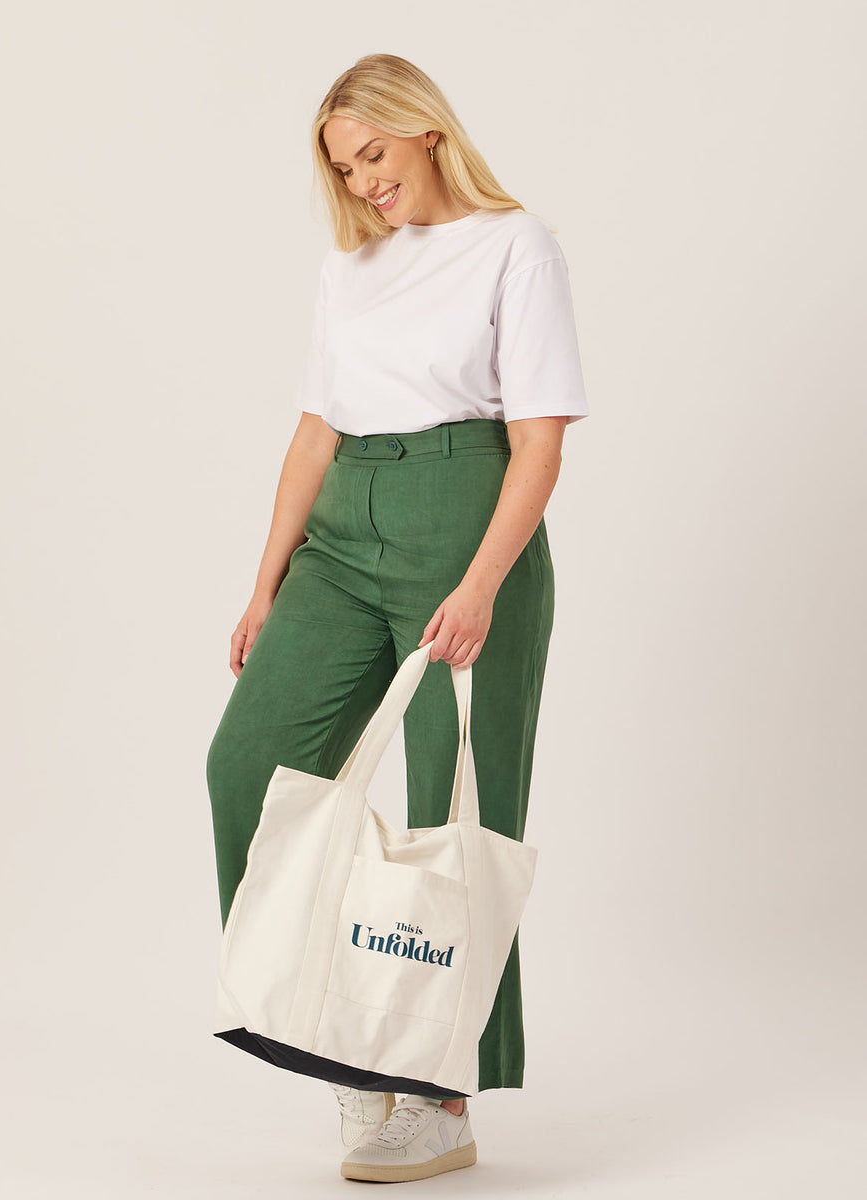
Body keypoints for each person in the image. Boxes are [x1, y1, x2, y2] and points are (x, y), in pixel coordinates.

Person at [206, 52, 588, 1184]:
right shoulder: (351, 267)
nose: (365, 181)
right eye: (343, 165)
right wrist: (269, 581)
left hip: (467, 524)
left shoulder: (517, 245)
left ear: (426, 130)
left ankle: (441, 1097)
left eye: (375, 153)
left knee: (455, 815)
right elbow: (315, 432)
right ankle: (350, 1039)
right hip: (345, 528)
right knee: (249, 764)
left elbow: (541, 440)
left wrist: (477, 585)